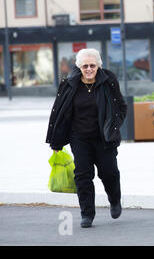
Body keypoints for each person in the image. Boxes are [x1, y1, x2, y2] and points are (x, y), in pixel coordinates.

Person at [46, 48, 127, 228]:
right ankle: (87, 214)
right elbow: (59, 112)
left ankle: (114, 200)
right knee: (82, 175)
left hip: (104, 137)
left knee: (109, 173)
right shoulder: (69, 83)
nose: (89, 69)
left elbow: (122, 107)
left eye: (92, 65)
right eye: (85, 66)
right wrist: (56, 141)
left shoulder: (108, 80)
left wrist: (114, 125)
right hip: (79, 138)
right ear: (79, 67)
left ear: (98, 65)